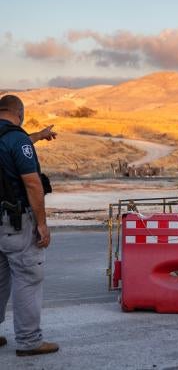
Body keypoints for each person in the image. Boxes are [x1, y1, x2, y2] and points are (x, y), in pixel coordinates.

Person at [0, 95, 59, 356]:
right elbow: (33, 184)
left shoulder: (12, 137)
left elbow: (13, 144)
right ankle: (29, 340)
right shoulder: (17, 139)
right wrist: (42, 224)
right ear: (20, 113)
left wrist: (38, 136)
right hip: (15, 221)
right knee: (27, 276)